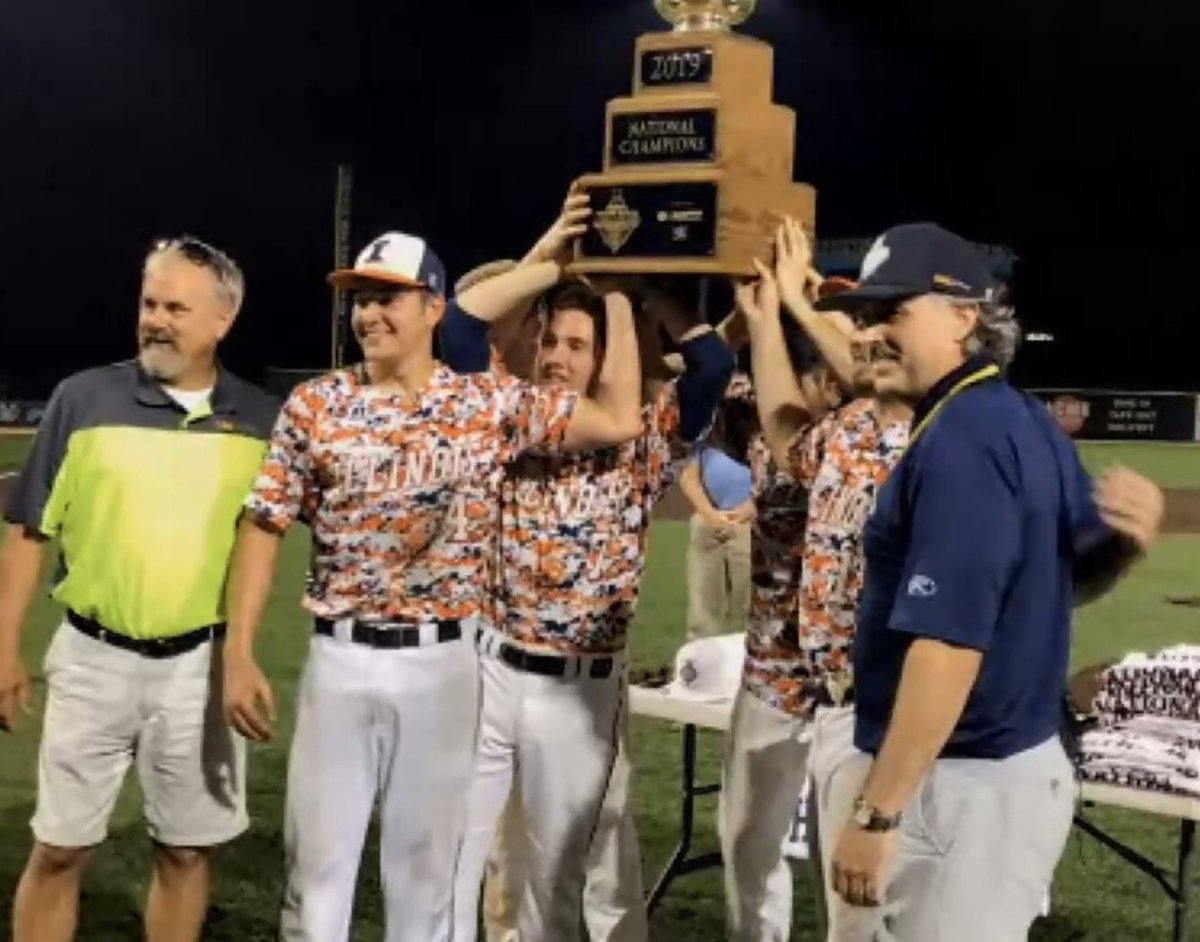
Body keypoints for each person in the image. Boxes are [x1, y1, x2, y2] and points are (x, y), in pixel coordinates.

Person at [221, 228, 644, 942]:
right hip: (339, 658)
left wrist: (610, 292)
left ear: (433, 309)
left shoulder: (484, 403)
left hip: (444, 663)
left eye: (389, 297)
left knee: (426, 885)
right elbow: (263, 523)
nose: (368, 314)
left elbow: (618, 419)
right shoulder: (316, 406)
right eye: (360, 298)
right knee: (315, 882)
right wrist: (238, 652)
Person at [811, 222, 1163, 940]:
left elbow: (949, 645)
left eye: (892, 312)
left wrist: (879, 812)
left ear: (963, 316)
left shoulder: (963, 439)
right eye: (863, 316)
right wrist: (1126, 544)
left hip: (954, 785)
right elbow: (1071, 576)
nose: (869, 331)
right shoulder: (1018, 418)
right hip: (1004, 770)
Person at [441, 246, 734, 941]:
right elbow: (457, 329)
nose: (556, 358)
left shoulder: (648, 440)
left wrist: (630, 292)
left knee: (560, 873)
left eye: (577, 346)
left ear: (607, 358)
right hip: (493, 670)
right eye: (548, 341)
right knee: (463, 853)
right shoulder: (510, 419)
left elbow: (713, 366)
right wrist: (555, 265)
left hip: (581, 688)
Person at [0, 236, 279, 942]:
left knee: (185, 851)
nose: (156, 318)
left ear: (223, 319)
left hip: (198, 667)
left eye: (176, 307)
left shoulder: (260, 421)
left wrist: (241, 653)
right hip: (93, 660)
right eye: (149, 303)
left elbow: (262, 542)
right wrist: (3, 647)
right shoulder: (82, 399)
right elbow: (30, 533)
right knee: (60, 847)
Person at [732, 218, 912, 941]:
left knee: (870, 901)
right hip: (801, 678)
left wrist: (801, 305)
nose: (859, 337)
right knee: (784, 870)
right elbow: (780, 430)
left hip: (883, 702)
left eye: (869, 320)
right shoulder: (841, 433)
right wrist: (767, 317)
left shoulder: (927, 425)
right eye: (850, 321)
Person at [698, 239, 846, 942]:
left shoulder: (890, 428)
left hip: (855, 684)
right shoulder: (759, 409)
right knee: (751, 849)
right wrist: (748, 318)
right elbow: (682, 385)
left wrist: (784, 311)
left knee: (848, 863)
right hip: (771, 674)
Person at [679, 428, 754, 641]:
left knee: (752, 603)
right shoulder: (705, 434)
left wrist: (749, 508)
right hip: (707, 521)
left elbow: (777, 475)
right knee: (702, 608)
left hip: (749, 524)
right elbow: (688, 478)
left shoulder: (761, 432)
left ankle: (751, 666)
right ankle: (701, 666)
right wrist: (710, 515)